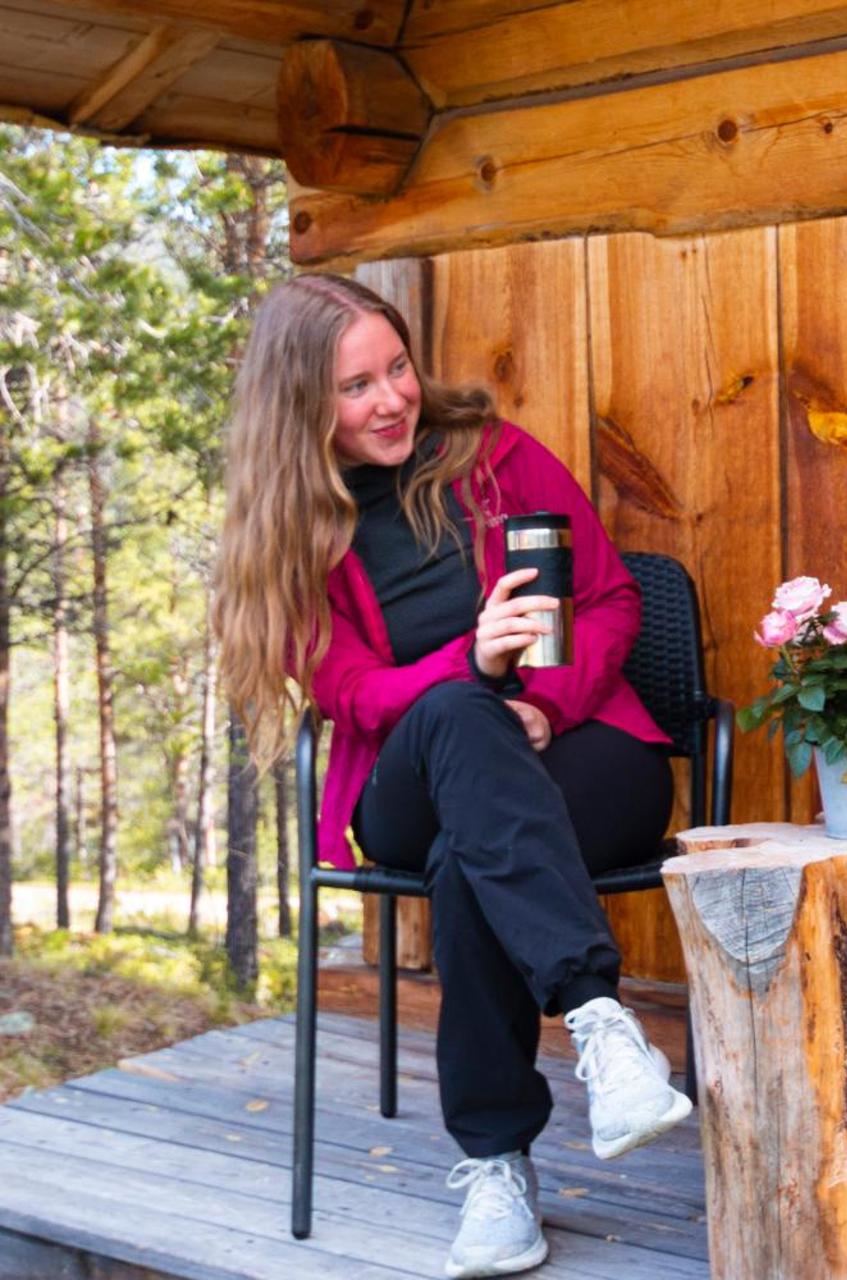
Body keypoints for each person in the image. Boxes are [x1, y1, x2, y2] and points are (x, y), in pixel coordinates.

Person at [214, 273, 690, 1279]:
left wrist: (541, 702)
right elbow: (350, 689)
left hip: (577, 745)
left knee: (473, 859)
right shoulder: (292, 531)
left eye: (398, 367)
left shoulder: (497, 458)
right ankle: (601, 1020)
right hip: (406, 776)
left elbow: (605, 598)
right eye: (356, 387)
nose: (392, 398)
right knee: (448, 721)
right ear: (301, 407)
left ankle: (499, 1159)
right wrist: (468, 674)